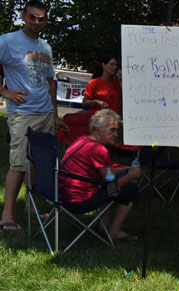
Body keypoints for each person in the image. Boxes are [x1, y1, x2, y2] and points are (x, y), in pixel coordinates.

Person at [0, 0, 69, 231]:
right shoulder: (8, 41)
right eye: (32, 17)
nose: (37, 22)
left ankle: (30, 205)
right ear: (24, 16)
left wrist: (55, 115)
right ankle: (7, 215)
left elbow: (51, 82)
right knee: (19, 163)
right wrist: (4, 91)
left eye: (41, 18)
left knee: (37, 162)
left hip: (45, 113)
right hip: (22, 113)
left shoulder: (46, 47)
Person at [59, 109, 141, 241]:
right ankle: (115, 232)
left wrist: (121, 169)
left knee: (106, 184)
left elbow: (102, 170)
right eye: (112, 130)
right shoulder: (99, 150)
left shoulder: (82, 140)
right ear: (97, 130)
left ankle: (105, 225)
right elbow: (112, 185)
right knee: (131, 189)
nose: (116, 134)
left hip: (62, 195)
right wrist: (131, 176)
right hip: (80, 202)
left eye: (117, 130)